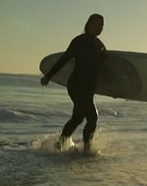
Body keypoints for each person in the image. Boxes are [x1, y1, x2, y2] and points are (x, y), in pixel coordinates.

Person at [40, 13, 106, 152]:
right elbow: (64, 59)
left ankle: (60, 144)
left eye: (103, 25)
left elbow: (105, 71)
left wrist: (118, 90)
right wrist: (49, 76)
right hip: (76, 85)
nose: (101, 27)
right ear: (90, 24)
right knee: (92, 117)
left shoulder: (100, 46)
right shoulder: (79, 41)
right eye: (99, 24)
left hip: (88, 89)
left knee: (77, 118)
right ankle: (86, 149)